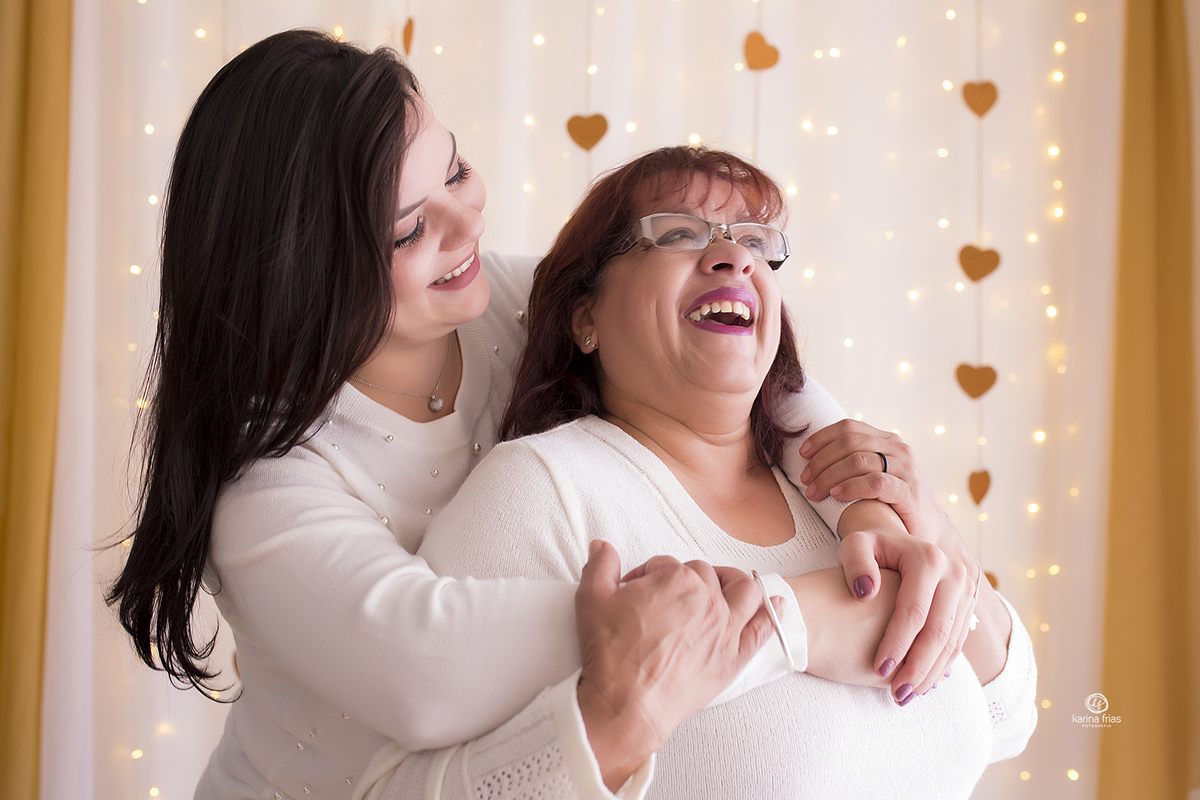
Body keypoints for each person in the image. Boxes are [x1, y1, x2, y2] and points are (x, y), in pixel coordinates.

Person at [106, 31, 988, 800]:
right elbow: (427, 672)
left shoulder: (519, 300)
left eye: (455, 169)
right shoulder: (270, 489)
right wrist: (792, 620)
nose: (466, 224)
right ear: (307, 273)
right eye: (412, 230)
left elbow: (762, 381)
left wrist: (872, 502)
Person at [416, 145, 1038, 798]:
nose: (734, 256)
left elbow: (1007, 719)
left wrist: (930, 525)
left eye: (755, 241)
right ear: (586, 317)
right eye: (677, 234)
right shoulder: (542, 491)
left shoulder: (832, 489)